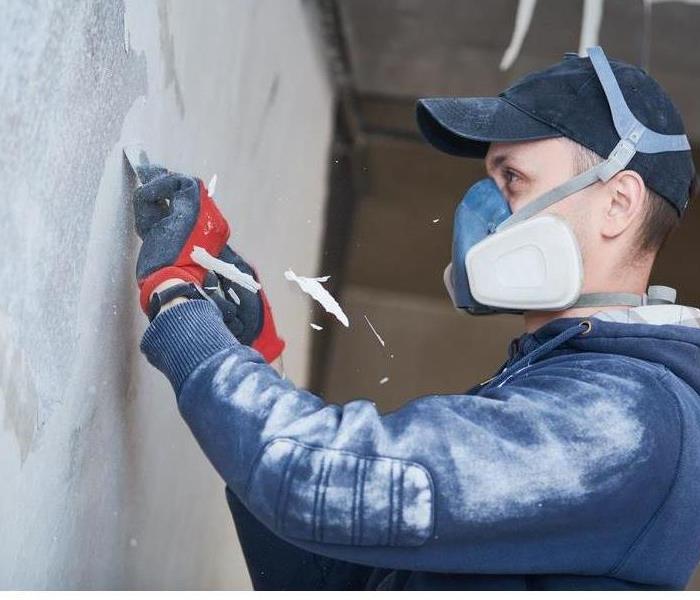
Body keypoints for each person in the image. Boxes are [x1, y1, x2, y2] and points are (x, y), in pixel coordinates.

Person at [132, 47, 700, 590]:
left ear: (618, 203)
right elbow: (337, 579)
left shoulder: (631, 416)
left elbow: (312, 483)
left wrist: (180, 305)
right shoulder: (570, 383)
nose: (484, 209)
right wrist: (253, 355)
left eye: (513, 180)